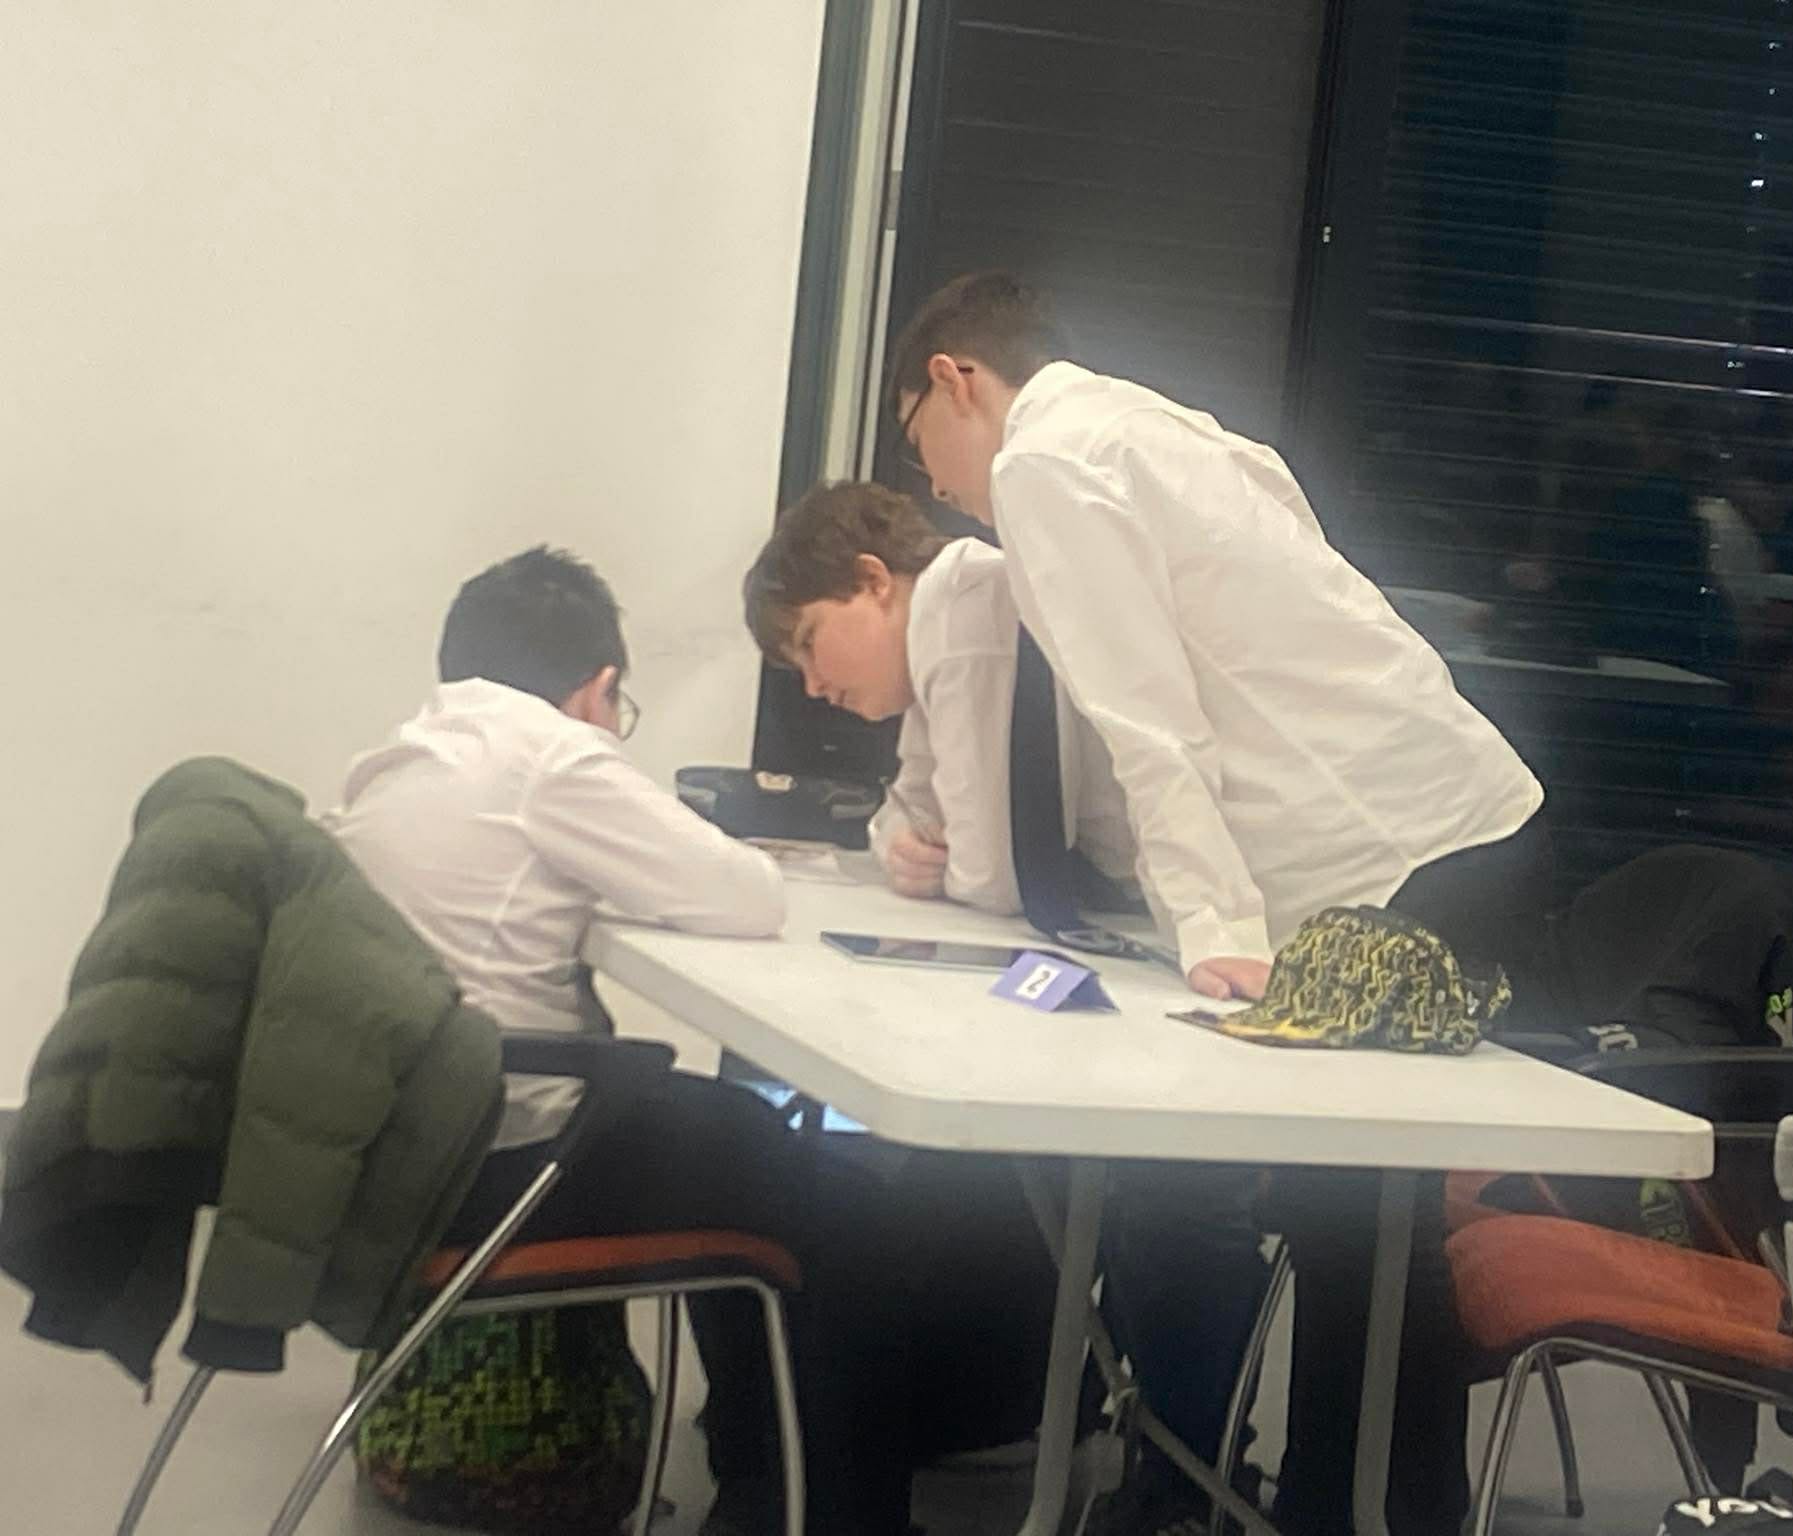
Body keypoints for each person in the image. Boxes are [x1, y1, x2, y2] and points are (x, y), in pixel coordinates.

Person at [885, 271, 1552, 1534]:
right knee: (1364, 1223)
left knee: (1357, 1223)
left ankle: (1326, 1511)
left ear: (954, 379)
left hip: (1381, 847)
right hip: (1446, 821)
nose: (937, 488)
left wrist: (1215, 937)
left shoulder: (1043, 464)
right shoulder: (1148, 423)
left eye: (923, 451)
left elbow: (1148, 720)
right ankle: (1341, 1509)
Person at [324, 546, 921, 1535]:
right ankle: (810, 1507)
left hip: (385, 1160)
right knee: (799, 1179)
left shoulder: (398, 760)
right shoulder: (552, 754)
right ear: (596, 690)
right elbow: (745, 893)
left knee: (729, 1140)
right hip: (500, 1166)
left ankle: (759, 1471)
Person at [742, 478, 1136, 917]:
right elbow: (909, 811)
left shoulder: (960, 604)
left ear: (872, 580)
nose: (813, 686)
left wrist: (942, 867)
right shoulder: (931, 631)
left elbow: (997, 879)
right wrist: (899, 845)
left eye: (809, 641)